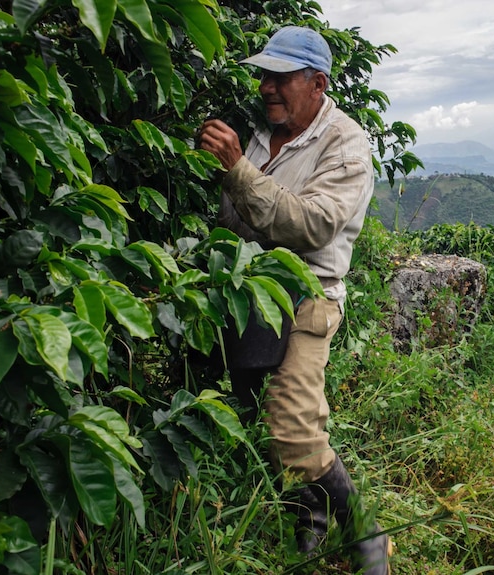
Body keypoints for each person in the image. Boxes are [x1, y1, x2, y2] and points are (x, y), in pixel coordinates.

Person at [198, 26, 389, 574]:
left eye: (280, 78)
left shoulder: (346, 145)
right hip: (245, 290)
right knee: (262, 409)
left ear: (317, 83)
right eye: (264, 76)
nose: (266, 88)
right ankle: (309, 524)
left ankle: (367, 532)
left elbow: (311, 225)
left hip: (308, 296)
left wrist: (237, 169)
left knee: (294, 426)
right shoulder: (265, 132)